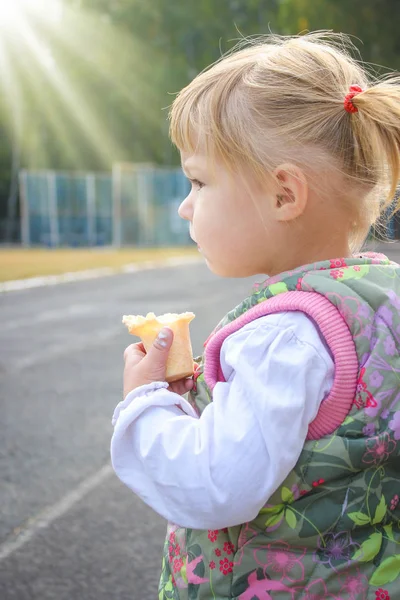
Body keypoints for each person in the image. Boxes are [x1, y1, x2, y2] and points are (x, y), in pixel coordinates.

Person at [111, 32, 400, 599]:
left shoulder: (280, 339)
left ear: (283, 195)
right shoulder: (381, 300)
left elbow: (213, 485)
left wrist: (145, 405)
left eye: (199, 181)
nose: (185, 206)